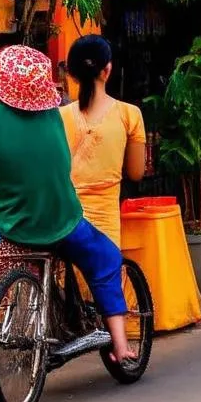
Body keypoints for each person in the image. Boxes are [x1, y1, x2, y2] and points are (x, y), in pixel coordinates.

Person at [0, 44, 135, 363]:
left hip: (15, 229)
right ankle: (120, 345)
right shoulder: (53, 115)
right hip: (64, 222)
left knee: (18, 259)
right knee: (106, 258)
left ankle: (20, 322)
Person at [60, 35, 146, 248]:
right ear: (107, 70)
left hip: (65, 221)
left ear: (71, 74)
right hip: (105, 223)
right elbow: (136, 172)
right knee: (104, 278)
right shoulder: (130, 114)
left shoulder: (57, 117)